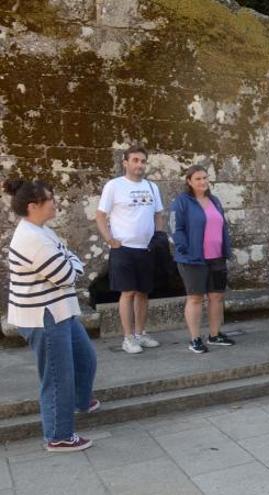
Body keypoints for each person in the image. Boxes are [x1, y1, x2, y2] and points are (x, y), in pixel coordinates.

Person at [5, 179, 98, 452]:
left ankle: (80, 401)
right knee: (58, 377)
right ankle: (58, 435)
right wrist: (71, 264)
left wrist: (70, 263)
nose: (55, 202)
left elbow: (69, 261)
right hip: (43, 316)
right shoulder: (32, 238)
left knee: (86, 359)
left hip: (60, 310)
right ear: (34, 206)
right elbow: (67, 274)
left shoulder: (42, 230)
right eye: (50, 199)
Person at [95, 145, 164, 354]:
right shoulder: (114, 186)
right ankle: (127, 338)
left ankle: (140, 333)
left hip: (146, 249)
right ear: (125, 162)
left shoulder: (152, 187)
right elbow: (100, 215)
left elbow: (159, 214)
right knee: (127, 292)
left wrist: (158, 237)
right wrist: (109, 239)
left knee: (143, 293)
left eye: (143, 161)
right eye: (135, 160)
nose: (139, 165)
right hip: (123, 248)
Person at [171, 165, 236, 353]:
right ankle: (195, 339)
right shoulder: (181, 202)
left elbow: (221, 226)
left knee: (216, 296)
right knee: (195, 298)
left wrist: (225, 248)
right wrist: (185, 249)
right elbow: (176, 228)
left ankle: (214, 335)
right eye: (198, 179)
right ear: (189, 181)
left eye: (205, 178)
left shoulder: (214, 200)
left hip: (217, 256)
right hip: (193, 259)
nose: (203, 182)